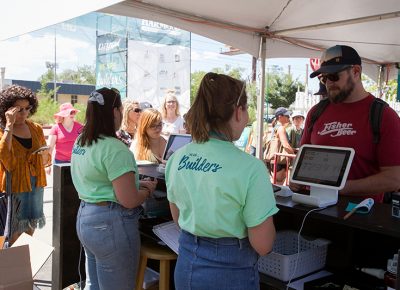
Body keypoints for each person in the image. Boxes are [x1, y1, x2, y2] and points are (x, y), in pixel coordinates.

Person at [166, 72, 278, 290]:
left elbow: (178, 218)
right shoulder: (251, 168)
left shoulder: (177, 157)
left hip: (187, 264)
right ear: (238, 112)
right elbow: (263, 245)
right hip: (230, 272)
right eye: (247, 110)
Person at [71, 88, 157, 290]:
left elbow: (99, 180)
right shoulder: (115, 148)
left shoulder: (81, 141)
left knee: (94, 284)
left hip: (86, 218)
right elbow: (129, 200)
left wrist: (135, 184)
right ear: (115, 112)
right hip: (110, 224)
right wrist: (146, 191)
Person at [295, 44, 400, 202]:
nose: (328, 83)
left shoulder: (384, 116)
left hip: (361, 216)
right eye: (323, 78)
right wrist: (296, 178)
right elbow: (301, 158)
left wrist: (340, 188)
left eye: (334, 76)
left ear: (356, 72)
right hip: (315, 208)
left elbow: (394, 179)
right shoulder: (316, 112)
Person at [0, 85, 50, 243]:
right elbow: (5, 159)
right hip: (14, 187)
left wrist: (44, 155)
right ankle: (13, 265)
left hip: (35, 185)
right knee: (13, 233)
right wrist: (9, 125)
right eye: (18, 109)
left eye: (27, 108)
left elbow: (46, 159)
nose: (24, 113)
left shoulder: (35, 128)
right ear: (7, 109)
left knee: (30, 228)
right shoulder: (2, 130)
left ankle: (22, 264)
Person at [46, 103, 83, 174]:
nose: (73, 114)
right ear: (63, 115)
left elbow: (85, 146)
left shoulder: (80, 127)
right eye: (70, 112)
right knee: (60, 185)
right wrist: (48, 165)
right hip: (60, 162)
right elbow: (50, 147)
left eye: (74, 112)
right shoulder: (55, 128)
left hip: (77, 162)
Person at [266, 107, 295, 184]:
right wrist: (294, 156)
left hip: (275, 161)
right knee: (279, 185)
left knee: (275, 184)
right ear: (280, 117)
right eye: (286, 116)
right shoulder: (281, 128)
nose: (288, 117)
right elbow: (285, 145)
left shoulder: (275, 127)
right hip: (280, 162)